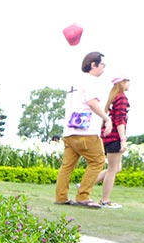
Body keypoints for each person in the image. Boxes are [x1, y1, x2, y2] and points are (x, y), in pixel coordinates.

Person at [54, 51, 112, 208]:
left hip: (69, 132)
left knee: (67, 166)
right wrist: (107, 119)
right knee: (98, 161)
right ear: (93, 65)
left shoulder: (74, 82)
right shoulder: (92, 81)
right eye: (102, 64)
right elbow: (92, 102)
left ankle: (61, 196)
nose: (104, 68)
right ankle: (83, 196)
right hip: (86, 131)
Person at [95, 76, 131, 208]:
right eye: (127, 81)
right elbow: (120, 120)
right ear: (122, 83)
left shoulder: (113, 98)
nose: (129, 83)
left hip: (107, 136)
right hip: (115, 137)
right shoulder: (121, 98)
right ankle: (105, 200)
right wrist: (123, 139)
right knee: (112, 170)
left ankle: (85, 184)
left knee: (116, 168)